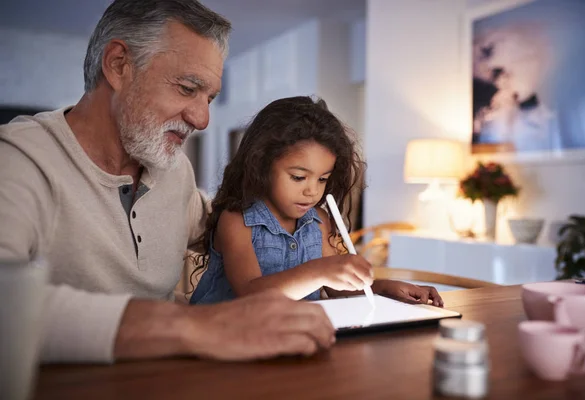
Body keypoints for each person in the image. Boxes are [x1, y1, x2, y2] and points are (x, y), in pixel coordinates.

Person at [0, 0, 335, 363]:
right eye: (188, 88)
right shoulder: (17, 160)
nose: (202, 119)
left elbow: (225, 225)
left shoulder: (174, 172)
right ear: (118, 65)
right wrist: (195, 326)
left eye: (209, 97)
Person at [189, 96, 443, 307]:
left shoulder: (319, 221)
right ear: (261, 166)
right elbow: (251, 295)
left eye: (323, 179)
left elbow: (335, 290)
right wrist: (321, 270)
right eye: (298, 177)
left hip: (291, 337)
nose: (312, 192)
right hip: (224, 339)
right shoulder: (237, 221)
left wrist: (383, 287)